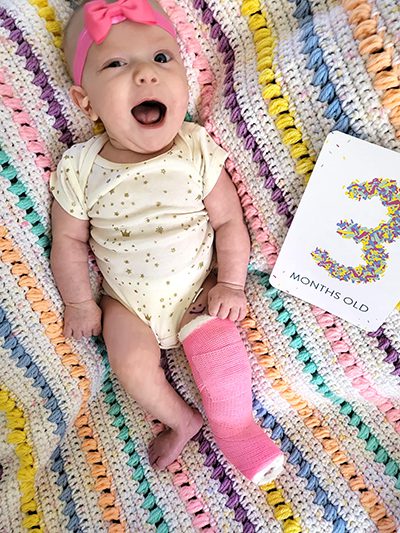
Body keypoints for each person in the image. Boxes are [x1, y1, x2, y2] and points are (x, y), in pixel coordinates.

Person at [50, 0, 284, 483]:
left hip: (200, 289)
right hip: (126, 305)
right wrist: (78, 301)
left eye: (162, 59)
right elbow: (68, 240)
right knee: (131, 365)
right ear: (85, 101)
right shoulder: (80, 167)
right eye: (116, 64)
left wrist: (232, 285)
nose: (146, 75)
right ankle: (182, 420)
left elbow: (229, 224)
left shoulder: (195, 147)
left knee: (221, 356)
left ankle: (237, 426)